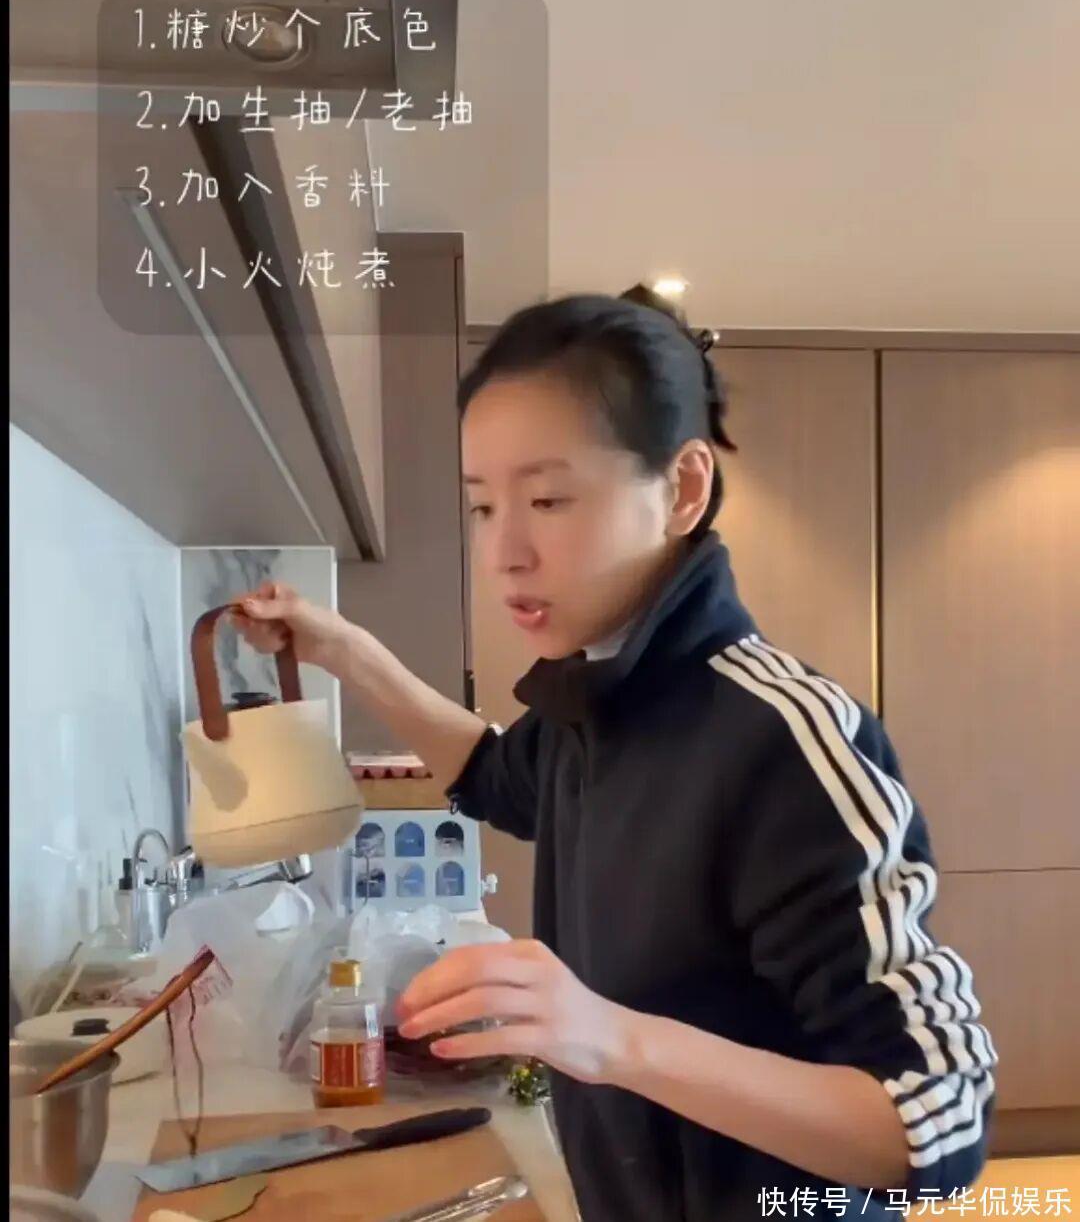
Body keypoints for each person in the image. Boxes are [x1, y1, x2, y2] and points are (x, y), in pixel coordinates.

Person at [232, 289, 996, 1222]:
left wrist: (606, 1037)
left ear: (683, 489)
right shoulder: (590, 706)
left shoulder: (786, 738)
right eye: (483, 506)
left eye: (548, 499)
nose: (504, 552)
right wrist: (341, 649)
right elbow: (492, 775)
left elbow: (936, 1125)